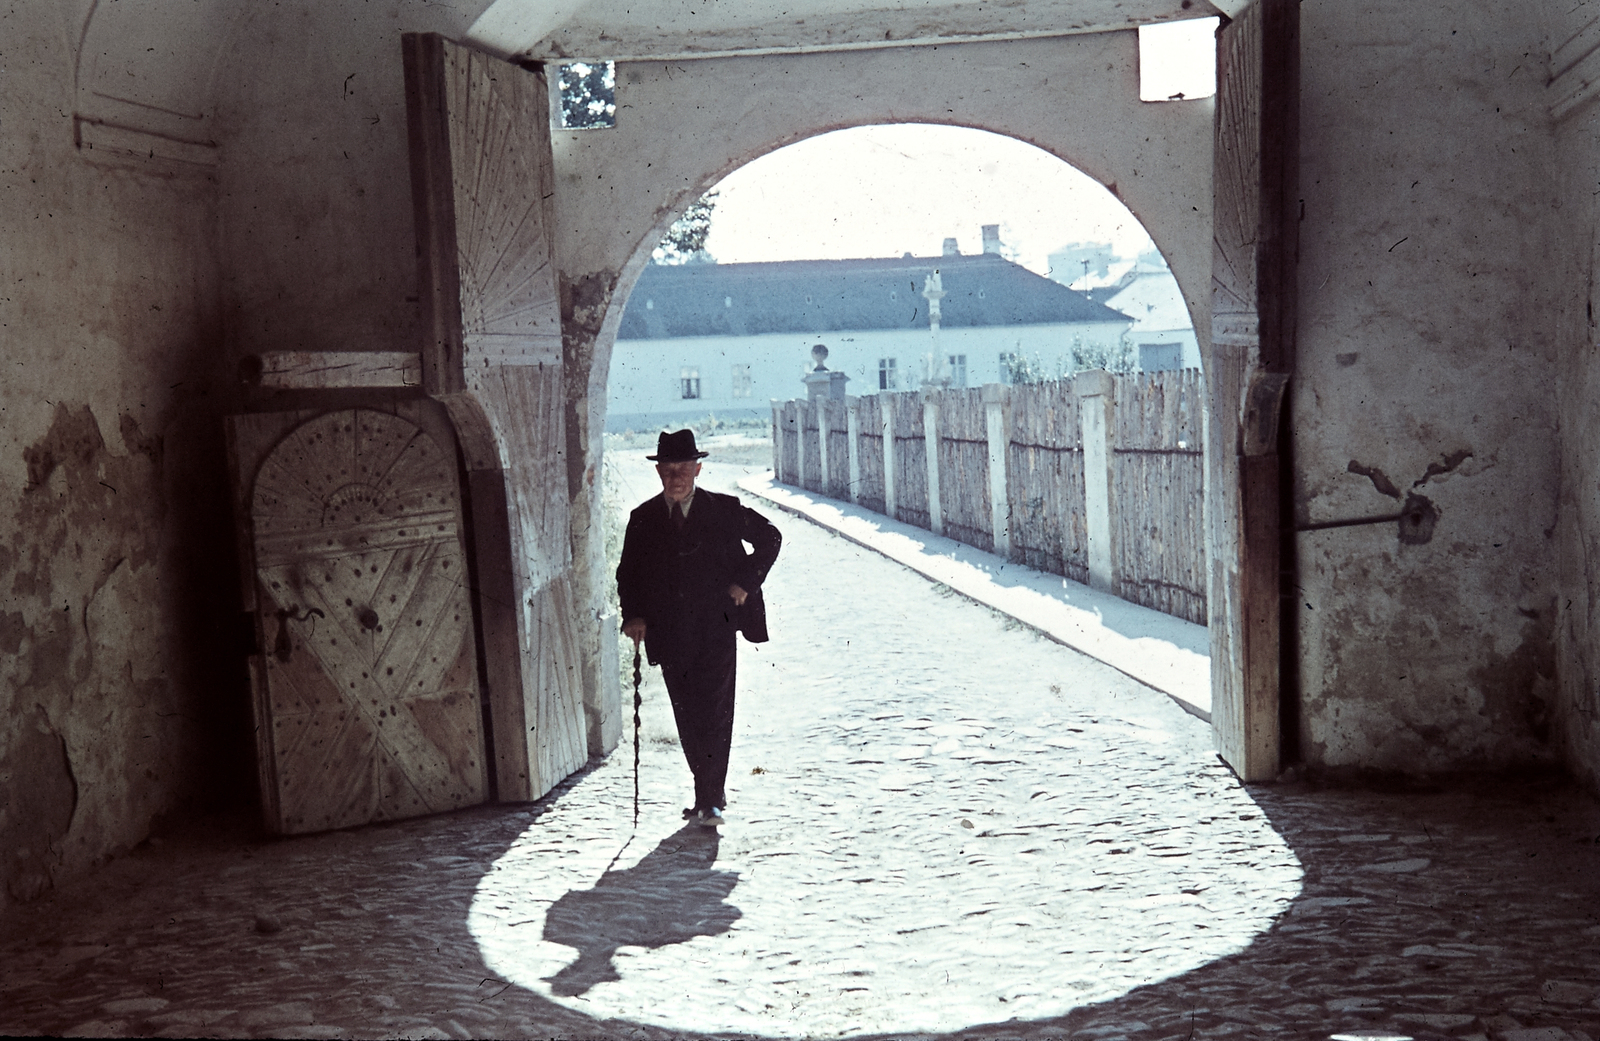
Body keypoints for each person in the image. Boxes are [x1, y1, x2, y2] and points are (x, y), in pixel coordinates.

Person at [616, 429, 782, 828]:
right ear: (658, 473)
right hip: (670, 633)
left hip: (717, 626)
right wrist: (633, 615)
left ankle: (710, 799)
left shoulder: (724, 509)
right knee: (687, 714)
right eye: (667, 469)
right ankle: (705, 790)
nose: (675, 477)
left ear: (698, 469)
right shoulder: (643, 519)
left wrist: (746, 580)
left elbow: (771, 538)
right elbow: (628, 575)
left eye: (683, 469)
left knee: (715, 710)